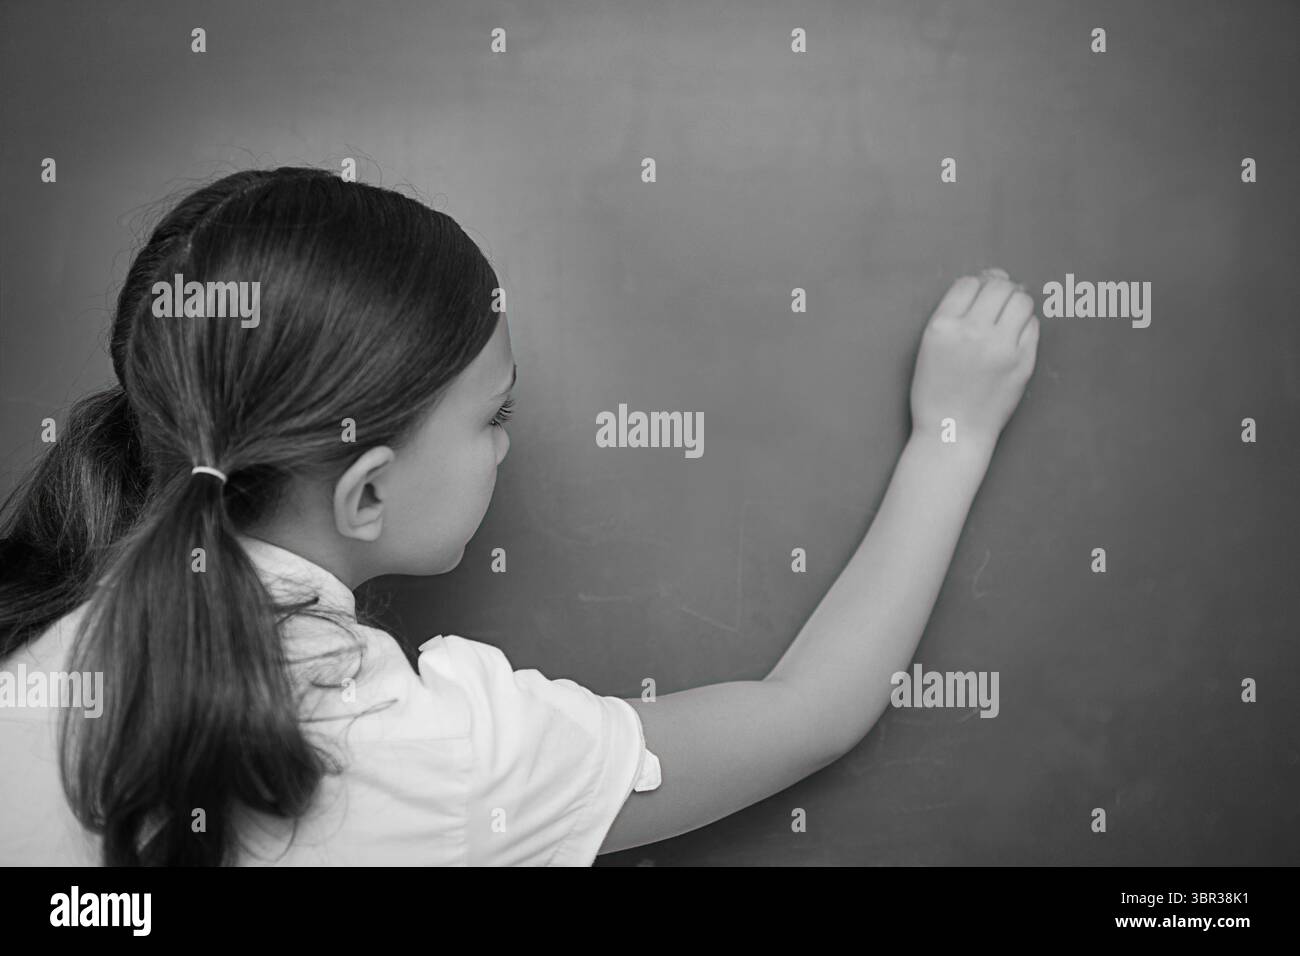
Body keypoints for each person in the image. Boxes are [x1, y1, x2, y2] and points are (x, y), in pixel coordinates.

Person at [0, 167, 1038, 865]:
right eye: (492, 416)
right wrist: (952, 437)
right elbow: (808, 713)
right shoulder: (436, 756)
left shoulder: (31, 649)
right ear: (366, 492)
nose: (506, 444)